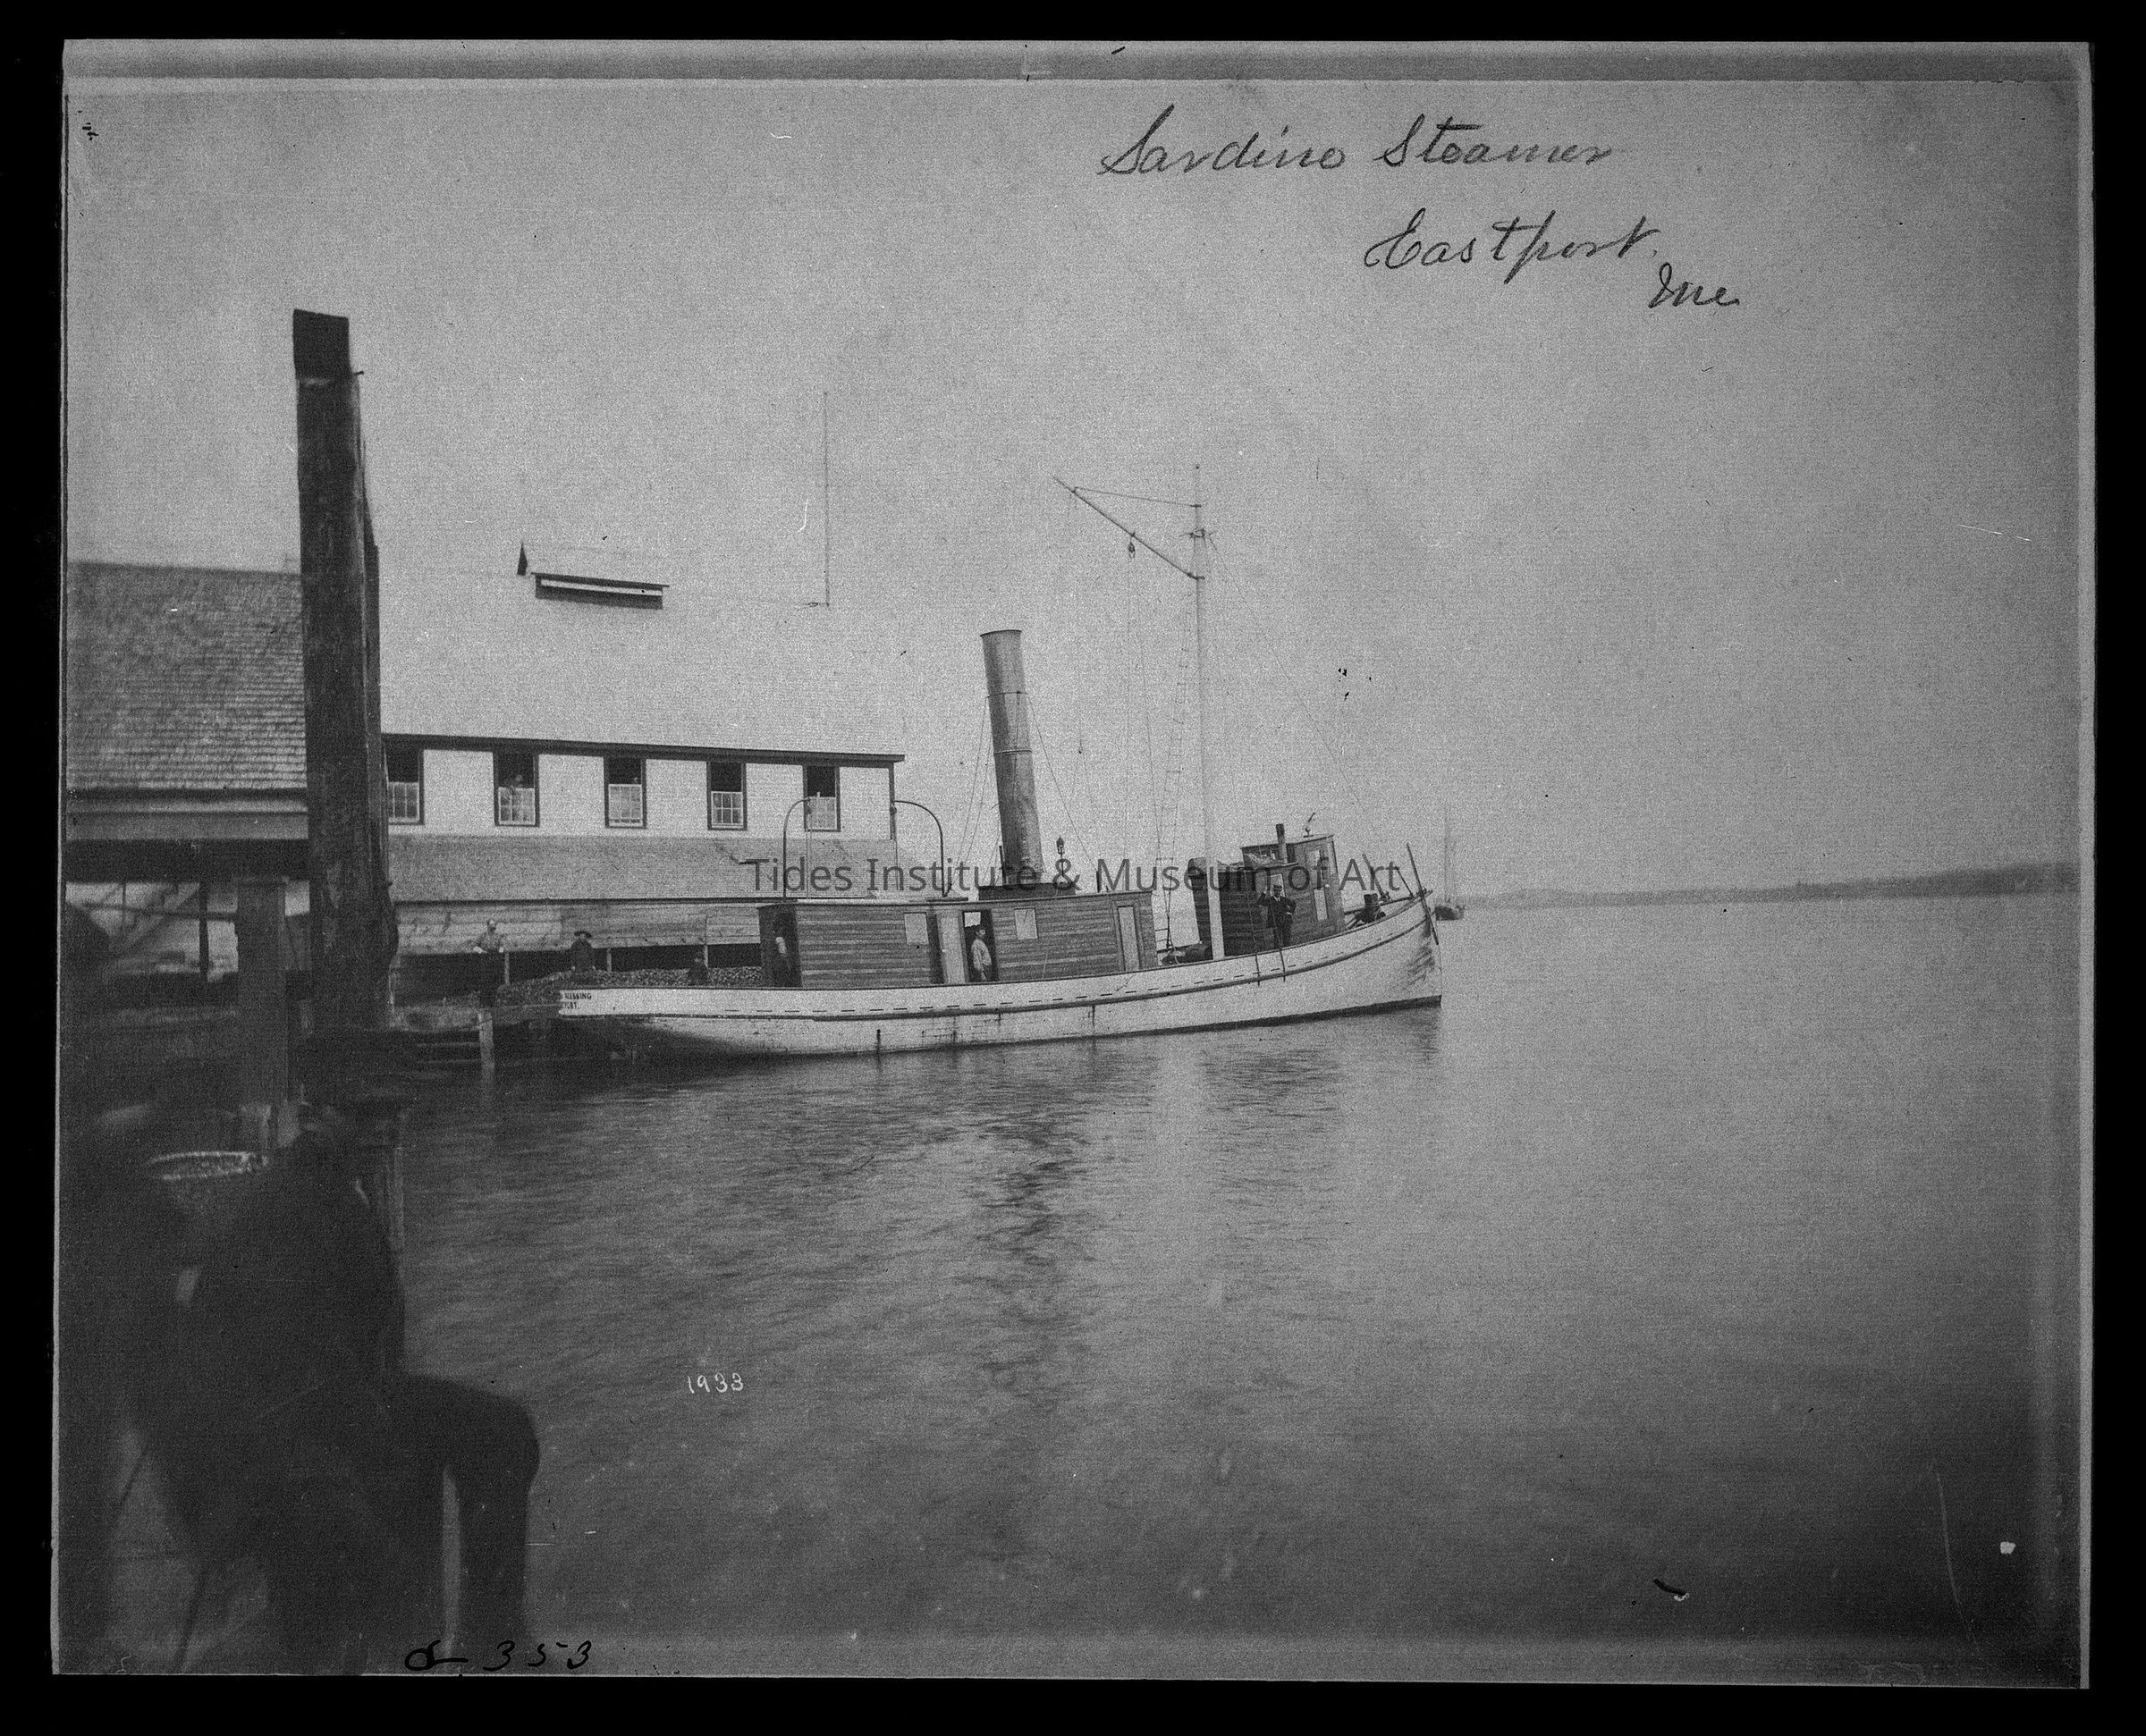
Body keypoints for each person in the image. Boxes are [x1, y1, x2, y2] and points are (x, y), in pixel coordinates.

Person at [120, 1098, 538, 1673]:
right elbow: (281, 1360)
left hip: (328, 1402)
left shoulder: (325, 1187)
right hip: (286, 1435)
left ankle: (488, 1638)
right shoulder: (295, 1202)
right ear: (314, 1116)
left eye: (390, 1114)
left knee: (500, 1428)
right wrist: (375, 1424)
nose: (382, 1130)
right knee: (485, 1435)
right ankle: (471, 1641)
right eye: (361, 1117)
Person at [473, 923, 504, 1006]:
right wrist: (481, 951)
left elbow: (501, 946)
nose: (493, 927)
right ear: (488, 926)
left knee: (494, 980)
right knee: (485, 980)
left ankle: (492, 1001)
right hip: (485, 957)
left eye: (494, 925)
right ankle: (484, 1002)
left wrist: (500, 952)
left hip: (494, 957)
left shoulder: (498, 936)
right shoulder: (483, 936)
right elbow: (474, 946)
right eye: (491, 925)